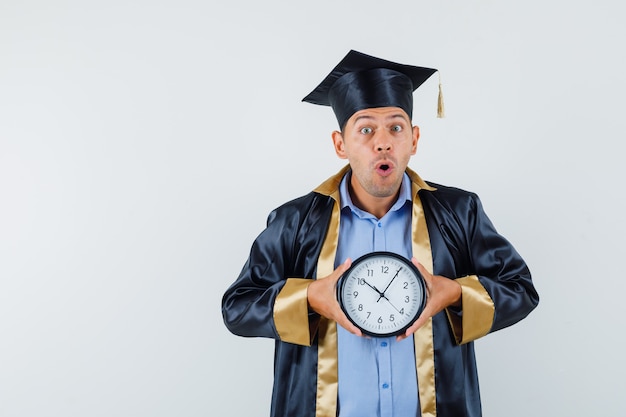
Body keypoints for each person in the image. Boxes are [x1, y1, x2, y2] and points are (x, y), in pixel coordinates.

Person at [221, 50, 539, 417]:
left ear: (414, 139)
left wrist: (452, 292)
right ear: (341, 144)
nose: (383, 142)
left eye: (396, 127)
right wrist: (308, 297)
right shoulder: (294, 221)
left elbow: (520, 289)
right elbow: (237, 307)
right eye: (366, 129)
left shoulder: (458, 213)